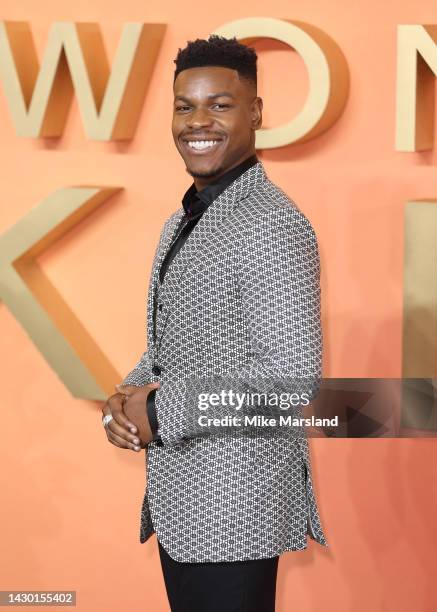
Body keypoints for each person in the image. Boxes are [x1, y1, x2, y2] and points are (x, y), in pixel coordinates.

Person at [101, 35, 328, 612]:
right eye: (184, 105)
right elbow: (177, 346)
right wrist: (124, 400)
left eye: (220, 105)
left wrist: (159, 411)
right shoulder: (186, 218)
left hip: (236, 508)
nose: (197, 121)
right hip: (187, 501)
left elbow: (290, 383)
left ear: (255, 112)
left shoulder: (271, 225)